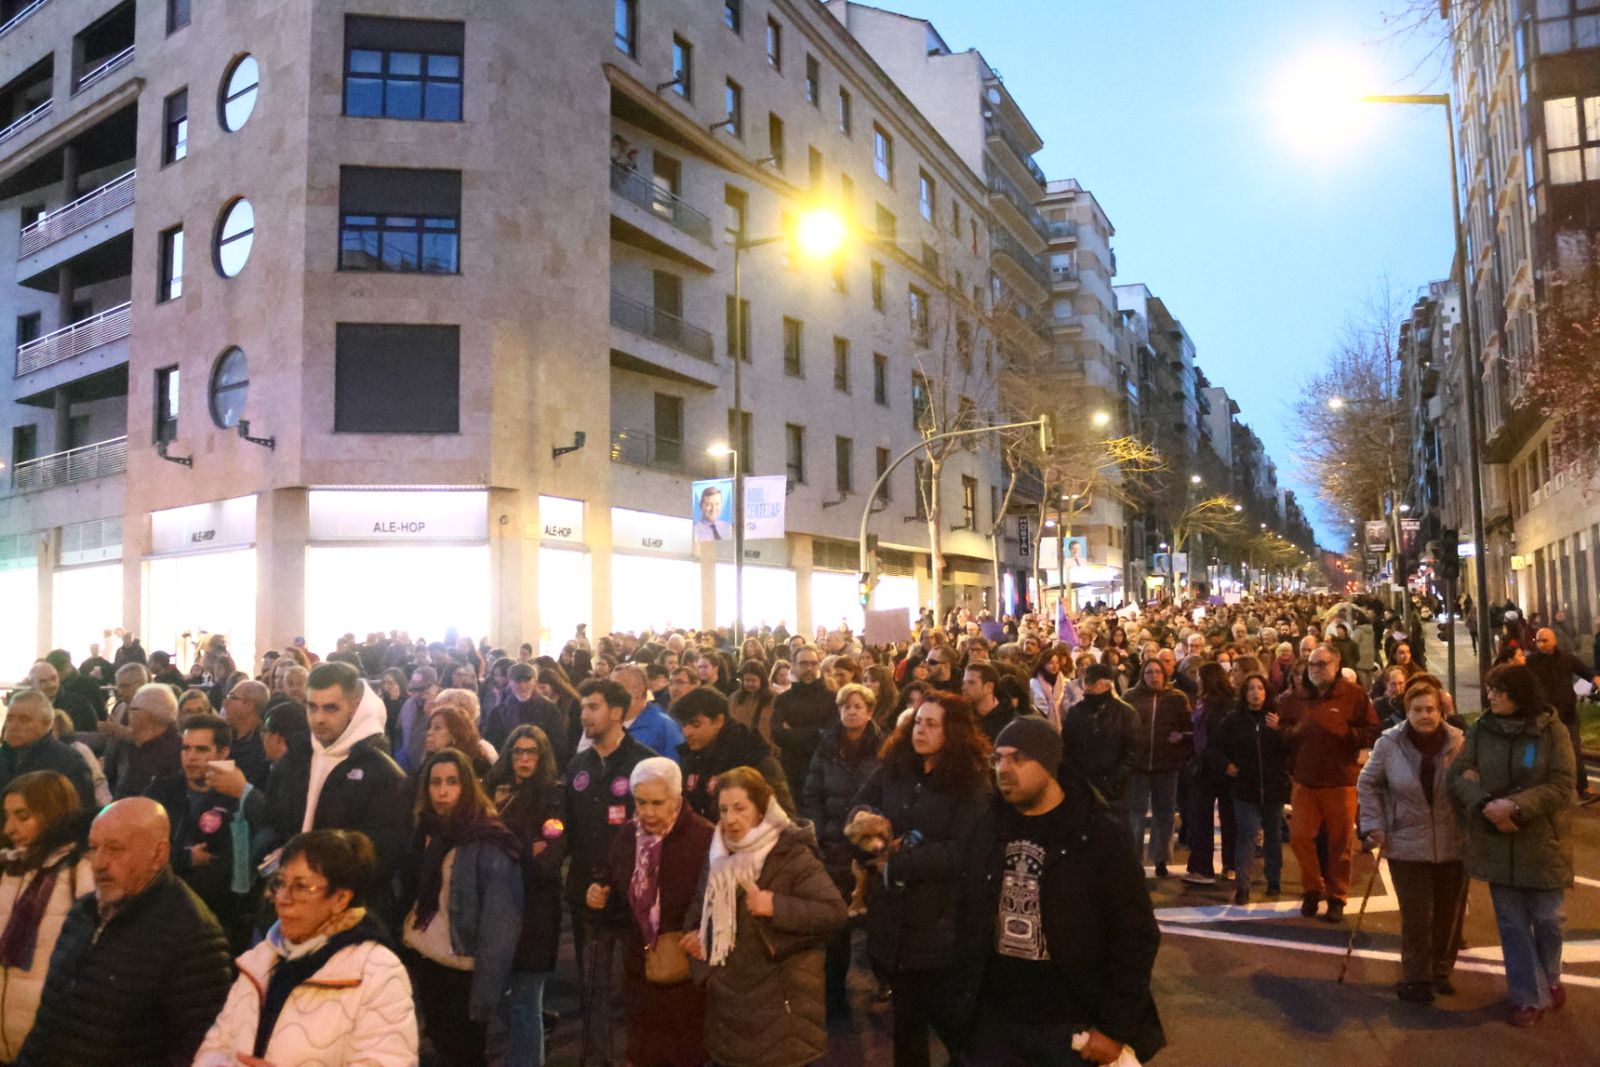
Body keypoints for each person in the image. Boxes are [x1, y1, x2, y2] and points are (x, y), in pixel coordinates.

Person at [951, 717, 1166, 1066]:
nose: (1004, 769)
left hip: (1071, 1025)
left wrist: (1113, 1028)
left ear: (1050, 763)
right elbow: (966, 914)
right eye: (998, 759)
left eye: (1018, 758)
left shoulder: (1095, 832)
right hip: (995, 1021)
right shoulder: (987, 826)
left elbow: (1135, 935)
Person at [14, 798, 231, 1067]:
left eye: (116, 849)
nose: (98, 863)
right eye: (93, 848)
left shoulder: (193, 934)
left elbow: (194, 1050)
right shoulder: (84, 912)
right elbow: (48, 1023)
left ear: (158, 854)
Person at [193, 829, 418, 1067]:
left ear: (341, 898)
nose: (282, 898)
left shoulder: (376, 972)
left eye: (301, 887)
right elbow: (216, 1046)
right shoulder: (260, 960)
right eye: (280, 883)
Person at [852, 691, 991, 1067]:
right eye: (917, 722)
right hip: (894, 921)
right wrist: (869, 839)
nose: (921, 730)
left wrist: (897, 862)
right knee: (908, 1026)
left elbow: (962, 851)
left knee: (952, 1023)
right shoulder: (895, 768)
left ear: (954, 732)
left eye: (932, 724)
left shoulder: (970, 783)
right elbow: (862, 807)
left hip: (940, 924)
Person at [684, 766, 846, 1067]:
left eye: (740, 808)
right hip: (729, 1005)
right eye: (723, 809)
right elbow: (700, 907)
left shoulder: (792, 854)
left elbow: (834, 912)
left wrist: (776, 906)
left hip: (781, 1007)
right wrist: (697, 938)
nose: (730, 818)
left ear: (762, 810)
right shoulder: (719, 855)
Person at [1449, 662, 1576, 1027]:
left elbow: (1561, 784)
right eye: (1490, 689)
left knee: (1549, 919)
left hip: (1542, 843)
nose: (1490, 696)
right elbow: (1457, 776)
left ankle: (1549, 977)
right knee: (1513, 925)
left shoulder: (1552, 733)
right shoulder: (1481, 729)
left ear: (1519, 694)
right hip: (1496, 842)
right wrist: (1487, 803)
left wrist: (1517, 806)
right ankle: (1526, 997)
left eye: (1498, 690)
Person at [232, 662, 410, 921]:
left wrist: (314, 866)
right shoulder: (293, 760)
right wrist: (277, 858)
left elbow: (382, 855)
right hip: (287, 905)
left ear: (354, 705)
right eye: (312, 707)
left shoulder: (382, 774)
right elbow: (272, 821)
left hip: (348, 912)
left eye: (331, 708)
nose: (319, 718)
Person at [587, 758, 714, 1067]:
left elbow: (716, 906)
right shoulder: (627, 837)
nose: (648, 812)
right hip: (639, 969)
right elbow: (618, 895)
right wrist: (600, 897)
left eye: (657, 803)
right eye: (640, 802)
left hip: (687, 974)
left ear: (677, 800)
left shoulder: (705, 839)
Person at [403, 748, 524, 1066]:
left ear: (467, 786)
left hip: (463, 968)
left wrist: (486, 995)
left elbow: (500, 925)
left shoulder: (489, 840)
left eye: (452, 782)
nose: (442, 791)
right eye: (435, 782)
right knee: (442, 1046)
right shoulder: (427, 830)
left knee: (465, 1055)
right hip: (428, 956)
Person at [565, 678, 655, 1067]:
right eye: (583, 707)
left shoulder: (644, 764)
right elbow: (561, 824)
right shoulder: (578, 766)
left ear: (617, 712)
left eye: (594, 707)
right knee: (593, 991)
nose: (585, 714)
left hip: (635, 899)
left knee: (635, 991)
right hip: (588, 896)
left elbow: (657, 834)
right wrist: (544, 840)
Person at [1357, 679, 1466, 1003]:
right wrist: (1375, 824)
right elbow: (1368, 783)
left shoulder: (1459, 741)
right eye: (1417, 709)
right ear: (1407, 711)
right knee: (1418, 916)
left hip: (1452, 842)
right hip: (1406, 841)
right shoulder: (1389, 743)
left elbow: (1472, 783)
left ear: (1441, 709)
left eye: (1431, 709)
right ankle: (1416, 977)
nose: (1425, 715)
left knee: (1449, 915)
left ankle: (1441, 972)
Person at [1278, 644, 1380, 923]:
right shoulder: (1295, 697)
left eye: (1321, 664)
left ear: (1336, 666)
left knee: (1340, 843)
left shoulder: (1353, 695)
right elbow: (1282, 730)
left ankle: (1337, 896)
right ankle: (1312, 887)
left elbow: (1372, 731)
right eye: (1312, 664)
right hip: (1305, 780)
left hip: (1340, 780)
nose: (1315, 670)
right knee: (1300, 837)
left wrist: (1346, 733)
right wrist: (1294, 732)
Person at [801, 681, 885, 1017]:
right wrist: (820, 831)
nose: (851, 712)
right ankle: (835, 993)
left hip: (869, 848)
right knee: (836, 923)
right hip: (834, 845)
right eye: (845, 706)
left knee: (874, 920)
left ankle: (881, 981)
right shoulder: (826, 746)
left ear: (869, 712)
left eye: (857, 706)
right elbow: (812, 793)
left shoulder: (883, 747)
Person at [0, 771, 93, 1061]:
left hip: (48, 1034)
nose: (9, 829)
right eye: (7, 816)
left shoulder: (80, 872)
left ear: (53, 814)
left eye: (22, 816)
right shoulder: (9, 868)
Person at [143, 714, 250, 950]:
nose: (191, 757)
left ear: (223, 753)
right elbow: (140, 849)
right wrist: (185, 859)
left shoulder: (236, 799)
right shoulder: (162, 789)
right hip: (157, 910)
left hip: (210, 920)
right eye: (186, 748)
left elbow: (228, 867)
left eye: (201, 750)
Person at [1212, 673, 1291, 904]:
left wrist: (1281, 731)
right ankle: (1243, 886)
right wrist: (1227, 766)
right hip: (1245, 788)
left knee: (1273, 837)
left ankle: (1273, 881)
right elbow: (1214, 748)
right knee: (1246, 835)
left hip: (1273, 788)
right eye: (1250, 689)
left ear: (1267, 692)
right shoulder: (1233, 720)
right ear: (1244, 693)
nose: (1255, 693)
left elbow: (1290, 749)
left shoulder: (1276, 719)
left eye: (1259, 688)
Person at [673, 686, 794, 822]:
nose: (687, 732)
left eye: (695, 725)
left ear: (719, 721)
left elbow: (783, 814)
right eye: (684, 725)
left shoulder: (751, 755)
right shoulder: (690, 756)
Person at [1123, 659, 1193, 879]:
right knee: (1136, 814)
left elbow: (1189, 728)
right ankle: (1133, 859)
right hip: (1138, 766)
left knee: (1164, 815)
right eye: (1149, 672)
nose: (1154, 676)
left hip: (1166, 765)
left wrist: (1181, 739)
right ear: (1143, 675)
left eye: (1157, 672)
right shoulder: (1131, 697)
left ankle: (1161, 858)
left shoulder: (1177, 698)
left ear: (1165, 674)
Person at [1524, 627, 1597, 801]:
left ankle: (1583, 788)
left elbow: (1586, 672)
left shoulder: (1567, 659)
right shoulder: (1531, 661)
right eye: (1538, 640)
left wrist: (1595, 679)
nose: (1541, 644)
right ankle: (1525, 785)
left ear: (1554, 641)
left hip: (1566, 714)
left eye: (1545, 640)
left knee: (1574, 751)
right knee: (1531, 750)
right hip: (1540, 715)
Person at [1059, 663, 1140, 814]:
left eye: (1094, 682)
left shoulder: (1125, 713)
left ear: (1106, 684)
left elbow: (1132, 752)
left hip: (1115, 790)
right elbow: (1067, 749)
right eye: (1086, 681)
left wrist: (1110, 780)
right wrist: (1076, 779)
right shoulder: (1076, 713)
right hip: (1082, 787)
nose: (1088, 687)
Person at [1183, 661, 1237, 886]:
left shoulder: (1221, 705)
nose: (1196, 680)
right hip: (1210, 764)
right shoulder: (1206, 702)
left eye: (1199, 676)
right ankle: (1227, 865)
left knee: (1209, 817)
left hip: (1214, 765)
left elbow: (1214, 737)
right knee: (1221, 817)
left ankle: (1206, 868)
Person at [0, 692, 95, 811]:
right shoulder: (3, 758)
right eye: (10, 718)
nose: (13, 726)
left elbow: (79, 817)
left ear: (46, 723)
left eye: (24, 720)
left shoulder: (69, 762)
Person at [770, 645, 834, 791]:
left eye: (813, 663)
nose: (809, 668)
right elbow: (777, 734)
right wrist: (815, 730)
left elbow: (829, 734)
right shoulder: (783, 700)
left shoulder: (831, 698)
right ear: (793, 666)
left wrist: (792, 733)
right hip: (792, 771)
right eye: (804, 663)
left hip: (822, 770)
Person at [108, 682, 183, 799]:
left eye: (132, 708)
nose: (128, 713)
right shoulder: (142, 747)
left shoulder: (167, 755)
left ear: (145, 716)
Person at [482, 662, 568, 759]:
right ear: (509, 682)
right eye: (517, 681)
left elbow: (559, 745)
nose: (522, 686)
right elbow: (492, 744)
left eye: (527, 680)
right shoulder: (499, 712)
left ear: (535, 681)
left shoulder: (549, 710)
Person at [614, 664, 685, 764]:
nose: (610, 694)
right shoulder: (608, 723)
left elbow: (673, 769)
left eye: (617, 687)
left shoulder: (664, 725)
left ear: (638, 690)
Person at [220, 678, 273, 787]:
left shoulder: (263, 746)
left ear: (249, 705)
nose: (224, 703)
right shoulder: (224, 738)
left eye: (231, 697)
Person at [729, 660, 776, 741]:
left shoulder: (773, 699)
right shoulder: (734, 698)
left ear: (762, 680)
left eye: (753, 681)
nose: (750, 684)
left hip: (765, 744)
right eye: (747, 680)